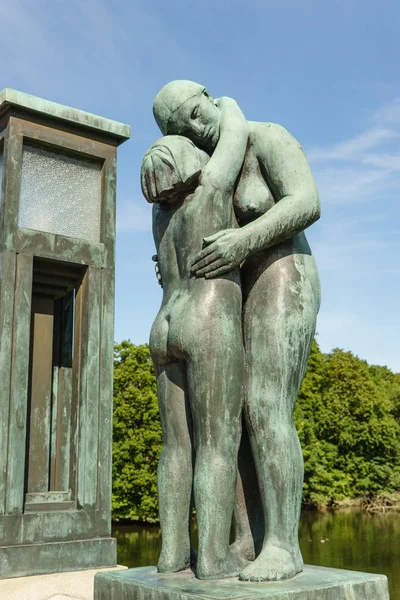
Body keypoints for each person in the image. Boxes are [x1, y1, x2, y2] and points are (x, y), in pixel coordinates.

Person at [152, 80, 321, 582]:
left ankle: (284, 546)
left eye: (196, 114)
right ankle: (249, 536)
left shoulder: (267, 138)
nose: (197, 129)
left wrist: (244, 240)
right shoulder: (202, 174)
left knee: (265, 404)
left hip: (282, 272)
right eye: (184, 128)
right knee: (230, 416)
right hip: (230, 290)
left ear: (208, 95)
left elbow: (307, 200)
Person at [141, 96, 250, 579]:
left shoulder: (159, 219)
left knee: (175, 448)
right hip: (207, 319)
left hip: (163, 325)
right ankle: (212, 555)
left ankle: (170, 555)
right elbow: (235, 134)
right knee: (218, 443)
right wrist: (224, 102)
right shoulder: (208, 193)